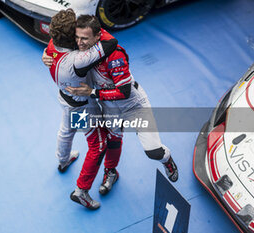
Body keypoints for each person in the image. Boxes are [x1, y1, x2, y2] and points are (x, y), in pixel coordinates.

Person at [65, 15, 179, 182]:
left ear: (98, 36)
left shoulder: (114, 55)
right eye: (77, 37)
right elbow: (57, 45)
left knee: (153, 152)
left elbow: (124, 91)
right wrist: (47, 54)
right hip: (110, 106)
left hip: (134, 106)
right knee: (113, 140)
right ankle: (111, 171)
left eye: (84, 38)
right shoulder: (84, 46)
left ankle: (167, 159)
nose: (79, 42)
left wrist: (92, 93)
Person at [44, 8, 121, 210]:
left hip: (65, 99)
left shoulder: (52, 45)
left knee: (66, 130)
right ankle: (82, 190)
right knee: (99, 145)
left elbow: (48, 51)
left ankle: (63, 160)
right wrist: (93, 28)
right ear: (72, 36)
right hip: (83, 108)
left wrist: (44, 55)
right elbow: (111, 42)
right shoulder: (77, 61)